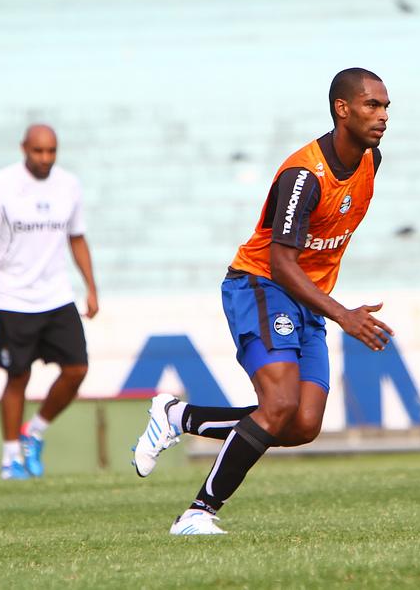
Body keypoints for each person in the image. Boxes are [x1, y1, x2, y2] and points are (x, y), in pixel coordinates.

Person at [132, 67, 394, 534]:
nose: (383, 116)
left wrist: (327, 308)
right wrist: (344, 317)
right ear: (343, 109)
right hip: (261, 284)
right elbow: (280, 262)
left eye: (386, 107)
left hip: (309, 298)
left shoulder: (372, 162)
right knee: (277, 403)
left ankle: (177, 416)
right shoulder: (303, 176)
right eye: (372, 105)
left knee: (301, 423)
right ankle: (197, 515)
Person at [0, 124, 99, 480]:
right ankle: (10, 458)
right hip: (12, 297)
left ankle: (35, 431)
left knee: (77, 369)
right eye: (38, 151)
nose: (45, 158)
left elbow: (77, 238)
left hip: (56, 295)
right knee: (18, 377)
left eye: (51, 151)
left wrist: (91, 287)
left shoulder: (69, 185)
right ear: (23, 148)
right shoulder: (0, 186)